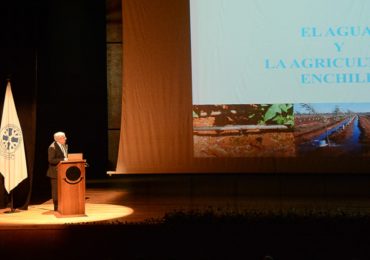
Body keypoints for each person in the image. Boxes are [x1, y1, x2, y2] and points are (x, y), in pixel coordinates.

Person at [46, 131, 68, 211]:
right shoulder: (52, 147)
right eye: (64, 137)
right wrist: (64, 159)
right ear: (59, 139)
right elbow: (51, 160)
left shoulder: (63, 145)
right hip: (55, 173)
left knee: (63, 191)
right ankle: (56, 207)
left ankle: (64, 205)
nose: (66, 138)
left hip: (63, 172)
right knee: (56, 191)